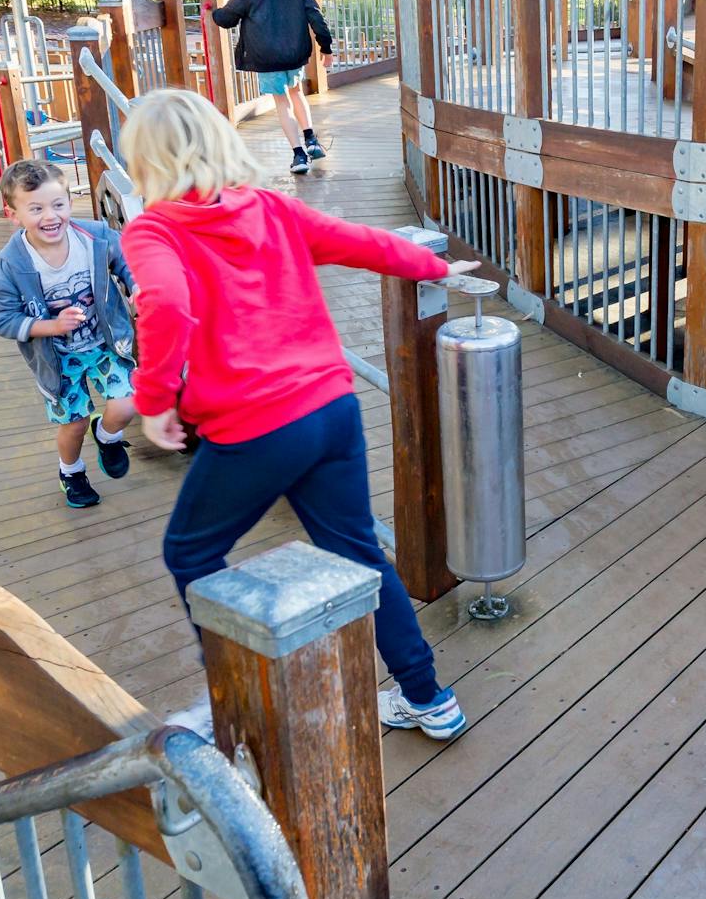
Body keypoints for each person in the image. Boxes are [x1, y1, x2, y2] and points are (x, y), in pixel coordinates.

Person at [119, 88, 476, 738]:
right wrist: (434, 266)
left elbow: (165, 303)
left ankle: (232, 704)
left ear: (145, 160)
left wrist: (155, 402)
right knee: (359, 550)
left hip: (256, 427)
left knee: (190, 551)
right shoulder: (270, 209)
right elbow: (358, 242)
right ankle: (429, 697)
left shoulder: (155, 229)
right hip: (332, 409)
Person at [0, 159, 138, 508]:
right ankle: (72, 471)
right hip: (58, 358)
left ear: (70, 202)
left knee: (127, 404)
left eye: (58, 204)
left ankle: (109, 436)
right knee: (75, 423)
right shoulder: (12, 266)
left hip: (105, 343)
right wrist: (50, 326)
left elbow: (125, 256)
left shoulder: (93, 238)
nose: (50, 216)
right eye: (35, 208)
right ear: (13, 214)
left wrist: (136, 285)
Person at [210, 0, 332, 175]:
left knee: (282, 102)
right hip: (294, 54)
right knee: (297, 93)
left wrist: (213, 11)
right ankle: (311, 139)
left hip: (267, 57)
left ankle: (299, 155)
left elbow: (227, 19)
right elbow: (316, 17)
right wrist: (325, 47)